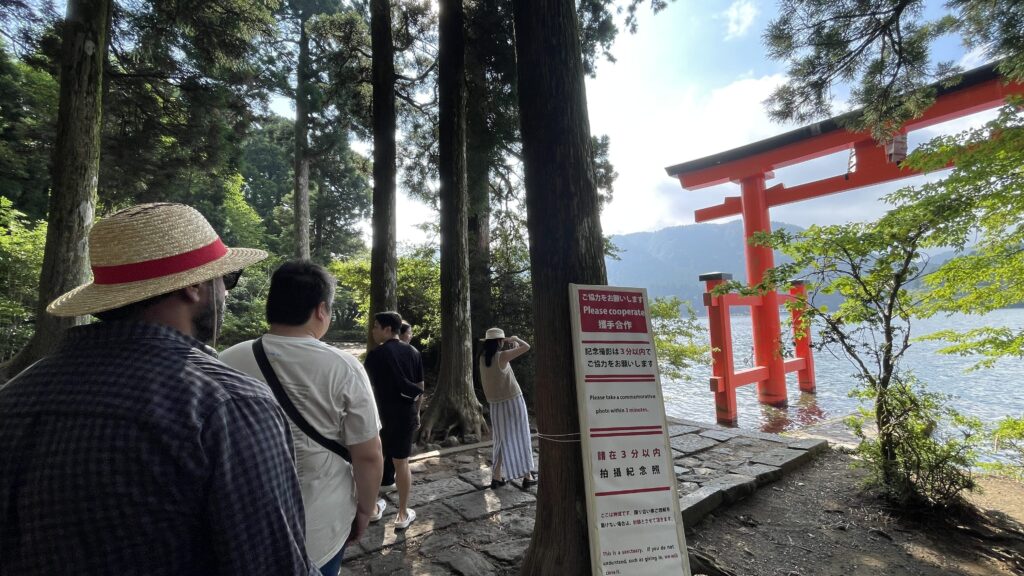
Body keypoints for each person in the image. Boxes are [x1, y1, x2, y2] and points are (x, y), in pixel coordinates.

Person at [0, 203, 318, 575]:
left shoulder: (15, 396)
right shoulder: (228, 404)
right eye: (226, 280)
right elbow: (273, 565)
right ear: (193, 285)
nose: (226, 295)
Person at [220, 261, 385, 575]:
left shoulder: (227, 359)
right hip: (319, 529)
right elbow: (368, 455)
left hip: (244, 528)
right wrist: (365, 509)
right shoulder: (343, 367)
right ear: (321, 310)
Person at [364, 311, 424, 530]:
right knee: (402, 463)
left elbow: (366, 390)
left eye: (377, 326)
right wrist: (416, 413)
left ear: (388, 329)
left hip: (380, 416)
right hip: (405, 414)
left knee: (377, 460)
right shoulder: (414, 352)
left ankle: (371, 510)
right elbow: (419, 388)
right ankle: (402, 513)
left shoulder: (374, 355)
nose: (374, 330)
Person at [478, 327, 536, 489]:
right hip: (513, 401)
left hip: (495, 404)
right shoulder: (502, 356)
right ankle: (527, 475)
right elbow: (526, 347)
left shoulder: (482, 359)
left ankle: (496, 477)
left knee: (501, 439)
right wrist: (515, 339)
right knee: (521, 435)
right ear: (499, 341)